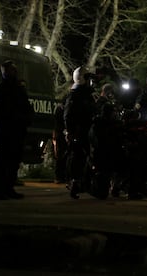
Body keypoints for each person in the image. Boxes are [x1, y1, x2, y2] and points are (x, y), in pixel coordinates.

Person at [0, 60, 34, 199]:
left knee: (13, 161)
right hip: (6, 131)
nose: (14, 72)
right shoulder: (2, 89)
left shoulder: (17, 88)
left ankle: (9, 188)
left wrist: (27, 119)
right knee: (3, 162)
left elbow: (26, 106)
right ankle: (0, 190)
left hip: (17, 130)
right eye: (11, 70)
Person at [63, 65, 97, 199]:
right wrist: (71, 132)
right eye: (88, 78)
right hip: (79, 132)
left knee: (86, 157)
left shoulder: (87, 95)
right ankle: (74, 183)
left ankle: (84, 183)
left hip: (88, 131)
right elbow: (68, 115)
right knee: (77, 158)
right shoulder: (75, 95)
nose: (91, 82)